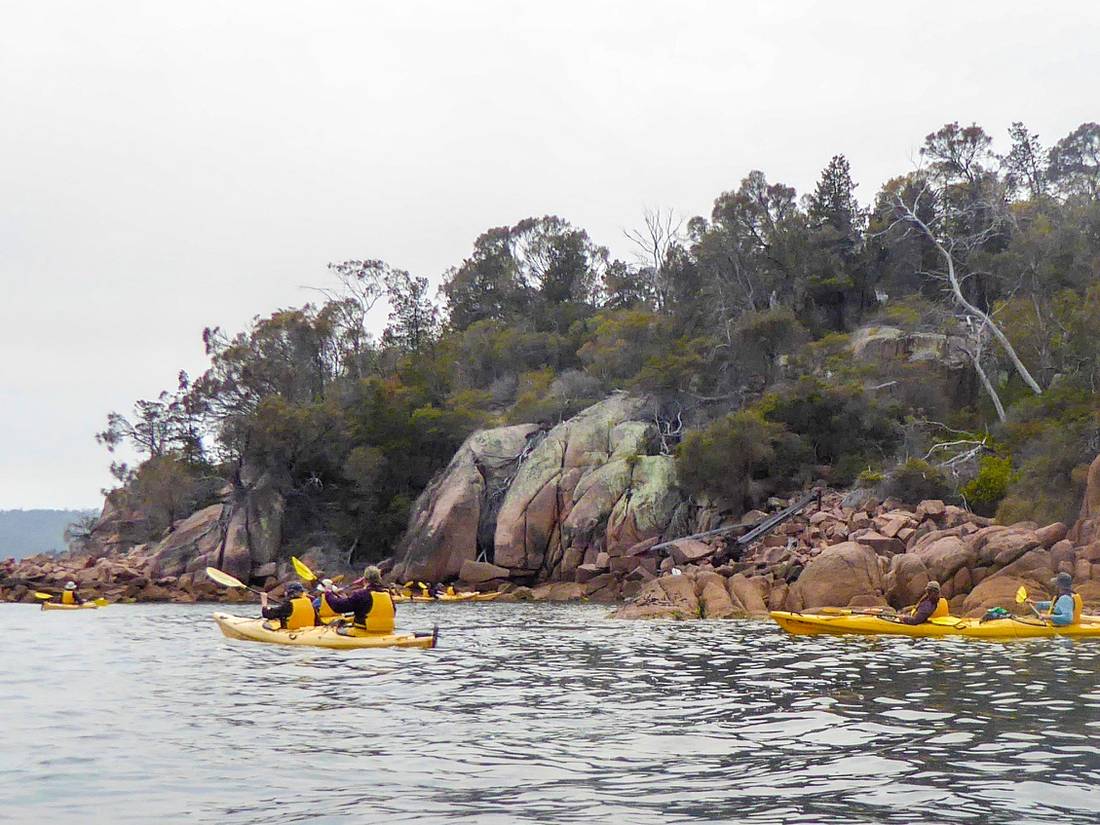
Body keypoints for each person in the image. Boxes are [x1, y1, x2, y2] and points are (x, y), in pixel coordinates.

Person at [324, 566, 395, 632]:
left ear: (365, 579)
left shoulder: (361, 594)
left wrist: (328, 593)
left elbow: (338, 607)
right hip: (386, 632)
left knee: (335, 629)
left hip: (363, 632)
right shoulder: (388, 594)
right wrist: (347, 620)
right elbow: (380, 614)